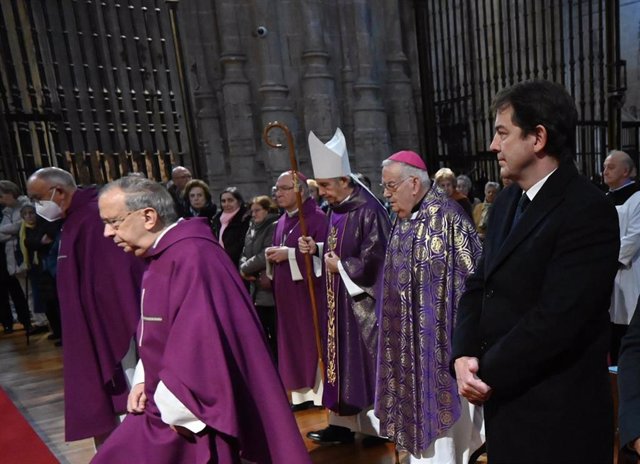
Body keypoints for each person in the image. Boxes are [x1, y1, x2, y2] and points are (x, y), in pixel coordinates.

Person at [451, 80, 620, 463]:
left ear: (538, 137)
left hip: (558, 415)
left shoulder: (586, 209)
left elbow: (558, 318)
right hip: (506, 403)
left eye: (502, 132)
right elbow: (478, 285)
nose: (494, 146)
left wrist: (484, 371)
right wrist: (461, 356)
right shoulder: (509, 199)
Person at [93, 176, 311, 464]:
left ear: (148, 217)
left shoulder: (193, 256)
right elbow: (160, 329)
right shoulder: (162, 254)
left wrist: (174, 407)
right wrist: (143, 380)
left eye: (114, 222)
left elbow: (201, 344)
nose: (108, 233)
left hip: (188, 408)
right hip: (165, 396)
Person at [376, 151, 483, 463]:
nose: (386, 193)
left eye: (390, 186)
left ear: (413, 183)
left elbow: (476, 279)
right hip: (408, 348)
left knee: (446, 447)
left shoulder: (450, 216)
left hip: (442, 349)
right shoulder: (401, 221)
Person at [27, 167, 144, 444]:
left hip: (112, 325)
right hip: (91, 322)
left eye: (37, 197)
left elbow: (116, 278)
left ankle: (135, 448)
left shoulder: (93, 217)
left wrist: (108, 330)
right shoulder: (74, 219)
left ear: (59, 192)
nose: (35, 205)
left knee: (128, 390)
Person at [299, 128, 391, 444]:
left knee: (363, 365)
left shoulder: (369, 209)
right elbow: (340, 249)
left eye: (325, 185)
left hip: (362, 307)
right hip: (339, 305)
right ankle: (342, 425)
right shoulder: (337, 209)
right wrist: (319, 249)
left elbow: (376, 258)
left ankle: (376, 429)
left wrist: (341, 266)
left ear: (344, 181)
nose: (321, 192)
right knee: (339, 364)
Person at [266, 171, 328, 410]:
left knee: (310, 340)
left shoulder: (317, 219)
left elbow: (321, 260)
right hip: (287, 295)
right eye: (276, 189)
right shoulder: (281, 221)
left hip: (308, 294)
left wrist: (289, 255)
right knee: (291, 342)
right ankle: (301, 394)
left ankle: (319, 393)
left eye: (283, 189)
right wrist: (272, 256)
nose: (278, 194)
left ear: (300, 191)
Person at [603, 150, 640, 364]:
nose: (605, 171)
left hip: (628, 272)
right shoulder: (603, 198)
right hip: (608, 278)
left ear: (626, 171)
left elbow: (634, 236)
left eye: (611, 167)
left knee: (628, 332)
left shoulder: (637, 199)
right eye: (605, 166)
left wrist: (606, 259)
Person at [239, 195, 279, 357]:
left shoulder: (272, 226)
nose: (253, 214)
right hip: (255, 289)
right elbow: (244, 251)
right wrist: (243, 268)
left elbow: (265, 254)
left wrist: (244, 268)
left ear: (267, 210)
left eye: (257, 210)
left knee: (274, 332)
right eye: (252, 210)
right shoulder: (252, 227)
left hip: (269, 290)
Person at [20, 203, 62, 338]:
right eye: (25, 214)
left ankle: (62, 332)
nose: (29, 217)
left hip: (47, 266)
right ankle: (55, 330)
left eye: (31, 213)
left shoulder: (43, 225)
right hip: (36, 269)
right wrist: (37, 242)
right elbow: (28, 242)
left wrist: (36, 242)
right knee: (45, 302)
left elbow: (45, 239)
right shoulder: (24, 230)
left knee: (54, 300)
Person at [0, 180, 32, 334]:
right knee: (24, 291)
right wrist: (9, 232)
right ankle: (35, 319)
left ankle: (36, 320)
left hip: (23, 252)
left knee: (30, 290)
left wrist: (9, 231)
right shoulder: (7, 211)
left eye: (2, 195)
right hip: (11, 255)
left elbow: (20, 226)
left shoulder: (25, 205)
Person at [211, 187, 251, 268]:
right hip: (221, 263)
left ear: (239, 202)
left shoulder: (245, 219)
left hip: (238, 264)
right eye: (223, 201)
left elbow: (243, 244)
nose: (226, 204)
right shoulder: (217, 219)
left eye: (230, 200)